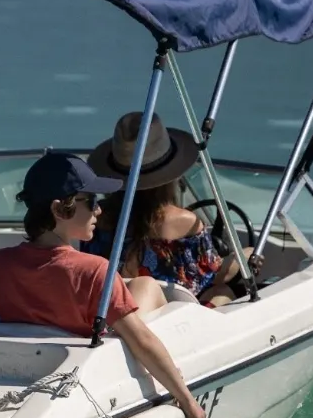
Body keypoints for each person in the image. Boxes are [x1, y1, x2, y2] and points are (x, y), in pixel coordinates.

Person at [0, 152, 207, 418]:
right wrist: (187, 399)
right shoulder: (95, 272)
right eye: (92, 202)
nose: (99, 211)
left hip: (28, 372)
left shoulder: (1, 264)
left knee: (142, 284)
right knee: (146, 285)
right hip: (88, 375)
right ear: (60, 209)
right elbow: (142, 342)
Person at [86, 112, 245, 303]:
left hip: (108, 306)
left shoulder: (97, 215)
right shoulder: (185, 222)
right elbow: (212, 275)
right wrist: (245, 257)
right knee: (223, 291)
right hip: (166, 316)